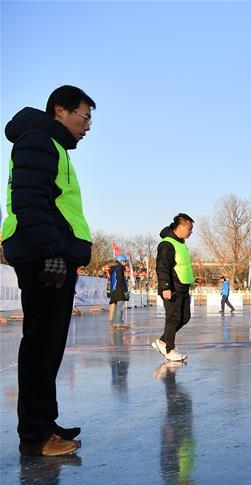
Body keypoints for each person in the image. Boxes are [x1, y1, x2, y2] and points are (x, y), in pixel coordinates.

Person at [3, 85, 95, 456]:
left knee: (50, 345)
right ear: (60, 110)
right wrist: (52, 252)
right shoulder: (38, 140)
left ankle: (46, 424)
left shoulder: (51, 145)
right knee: (40, 345)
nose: (87, 127)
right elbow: (29, 201)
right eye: (84, 117)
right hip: (44, 256)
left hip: (51, 254)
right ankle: (35, 436)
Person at [153, 213, 195, 362]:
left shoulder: (181, 243)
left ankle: (163, 341)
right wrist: (165, 286)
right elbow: (162, 267)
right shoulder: (167, 244)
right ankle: (169, 350)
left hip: (183, 287)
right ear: (181, 226)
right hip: (172, 288)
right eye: (190, 229)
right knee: (173, 318)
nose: (191, 232)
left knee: (185, 317)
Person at [108, 255, 130, 329]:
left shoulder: (114, 269)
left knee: (116, 307)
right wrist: (124, 290)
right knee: (120, 307)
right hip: (119, 290)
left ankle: (115, 323)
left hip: (114, 291)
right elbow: (120, 280)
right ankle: (118, 324)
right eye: (124, 261)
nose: (125, 263)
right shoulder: (120, 268)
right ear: (120, 261)